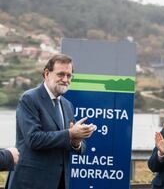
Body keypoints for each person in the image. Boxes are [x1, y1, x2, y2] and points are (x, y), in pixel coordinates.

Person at [6, 54, 96, 189]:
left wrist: (76, 142)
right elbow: (33, 139)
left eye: (69, 75)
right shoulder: (29, 99)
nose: (65, 79)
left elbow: (77, 145)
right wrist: (70, 134)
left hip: (59, 182)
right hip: (30, 182)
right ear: (47, 74)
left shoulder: (67, 105)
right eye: (61, 74)